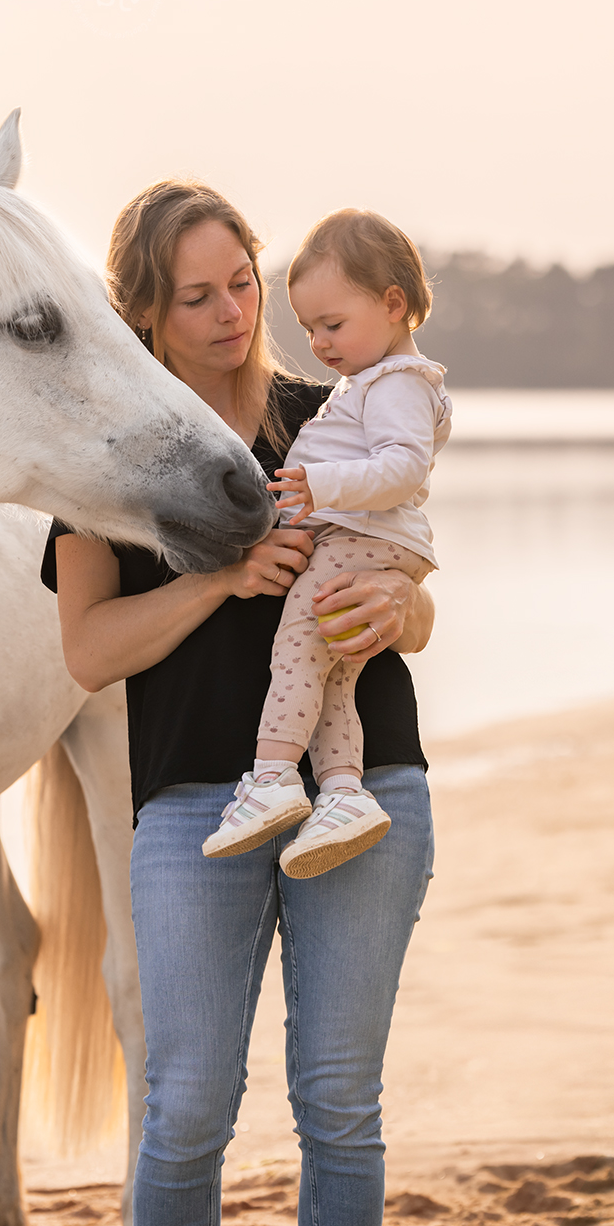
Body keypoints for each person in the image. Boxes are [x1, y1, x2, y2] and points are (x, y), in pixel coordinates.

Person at [41, 180, 436, 1226]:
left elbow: (420, 609)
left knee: (338, 1109)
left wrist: (400, 606)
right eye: (194, 297)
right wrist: (222, 577)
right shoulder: (104, 461)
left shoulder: (339, 411)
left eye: (242, 282)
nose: (230, 313)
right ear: (145, 317)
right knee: (183, 1114)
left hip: (360, 791)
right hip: (187, 811)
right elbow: (88, 651)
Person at [205, 210, 451, 879]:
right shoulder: (372, 381)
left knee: (295, 650)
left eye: (332, 325)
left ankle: (275, 776)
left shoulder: (397, 383)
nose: (317, 343)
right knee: (332, 673)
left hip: (360, 541)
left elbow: (404, 467)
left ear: (393, 304)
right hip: (364, 540)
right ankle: (343, 792)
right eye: (310, 328)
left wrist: (320, 488)